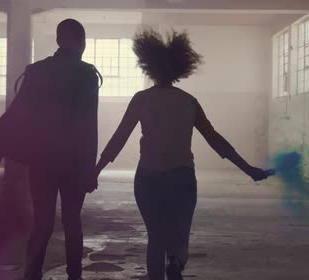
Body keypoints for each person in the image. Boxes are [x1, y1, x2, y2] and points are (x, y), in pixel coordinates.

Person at [93, 28, 273, 280]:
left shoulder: (141, 99)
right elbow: (215, 139)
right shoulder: (189, 101)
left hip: (148, 179)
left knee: (155, 237)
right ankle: (176, 263)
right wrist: (248, 169)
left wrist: (96, 170)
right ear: (179, 69)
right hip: (182, 178)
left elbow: (119, 138)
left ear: (149, 68)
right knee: (179, 236)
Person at [0, 19, 100, 280]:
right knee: (72, 221)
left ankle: (32, 273)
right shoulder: (87, 75)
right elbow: (88, 126)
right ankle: (74, 276)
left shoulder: (37, 72)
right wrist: (90, 170)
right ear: (81, 42)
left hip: (42, 160)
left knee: (42, 222)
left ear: (58, 41)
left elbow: (16, 115)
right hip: (74, 162)